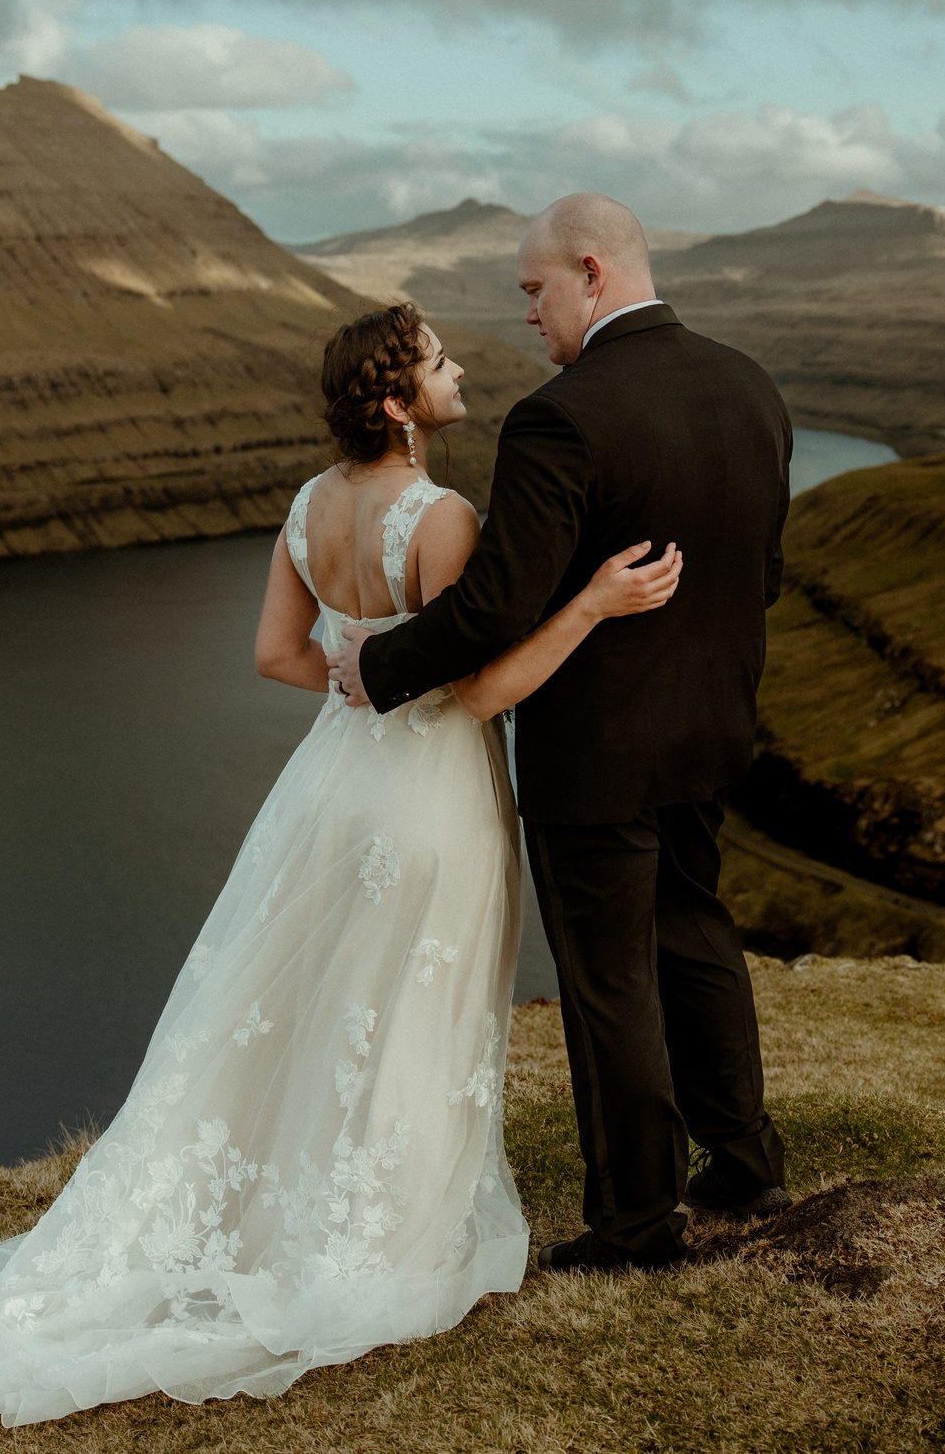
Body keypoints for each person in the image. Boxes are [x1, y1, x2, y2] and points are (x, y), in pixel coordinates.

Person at [0, 301, 682, 1435]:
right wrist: (596, 601)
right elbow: (481, 690)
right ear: (400, 405)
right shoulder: (444, 516)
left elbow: (276, 655)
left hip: (332, 784)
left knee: (323, 1001)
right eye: (440, 363)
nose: (461, 373)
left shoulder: (307, 509)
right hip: (431, 791)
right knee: (410, 1004)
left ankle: (295, 1199)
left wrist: (357, 684)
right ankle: (382, 1230)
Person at [329, 192, 794, 1275]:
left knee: (608, 979)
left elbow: (493, 605)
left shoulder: (562, 416)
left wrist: (376, 663)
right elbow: (759, 573)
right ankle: (746, 1160)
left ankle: (637, 1222)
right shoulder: (749, 384)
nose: (527, 315)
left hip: (597, 752)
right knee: (695, 932)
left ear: (591, 271)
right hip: (711, 727)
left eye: (534, 290)